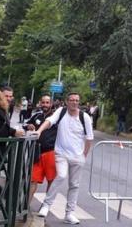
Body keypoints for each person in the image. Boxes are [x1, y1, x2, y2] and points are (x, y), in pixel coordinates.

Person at [35, 92, 94, 224]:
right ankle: (46, 205)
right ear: (67, 102)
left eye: (77, 100)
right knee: (61, 176)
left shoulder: (85, 117)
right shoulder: (61, 112)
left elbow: (89, 138)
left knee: (74, 185)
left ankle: (69, 214)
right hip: (61, 154)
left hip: (77, 156)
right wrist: (39, 131)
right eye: (72, 100)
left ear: (79, 102)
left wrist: (84, 155)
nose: (74, 102)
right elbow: (49, 121)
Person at [23, 95, 56, 200]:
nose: (45, 105)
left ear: (51, 104)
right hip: (37, 152)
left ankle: (46, 206)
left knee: (51, 180)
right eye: (43, 102)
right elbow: (25, 124)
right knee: (33, 180)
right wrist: (28, 126)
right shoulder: (37, 116)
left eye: (47, 102)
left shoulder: (56, 117)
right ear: (40, 103)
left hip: (51, 152)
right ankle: (26, 207)